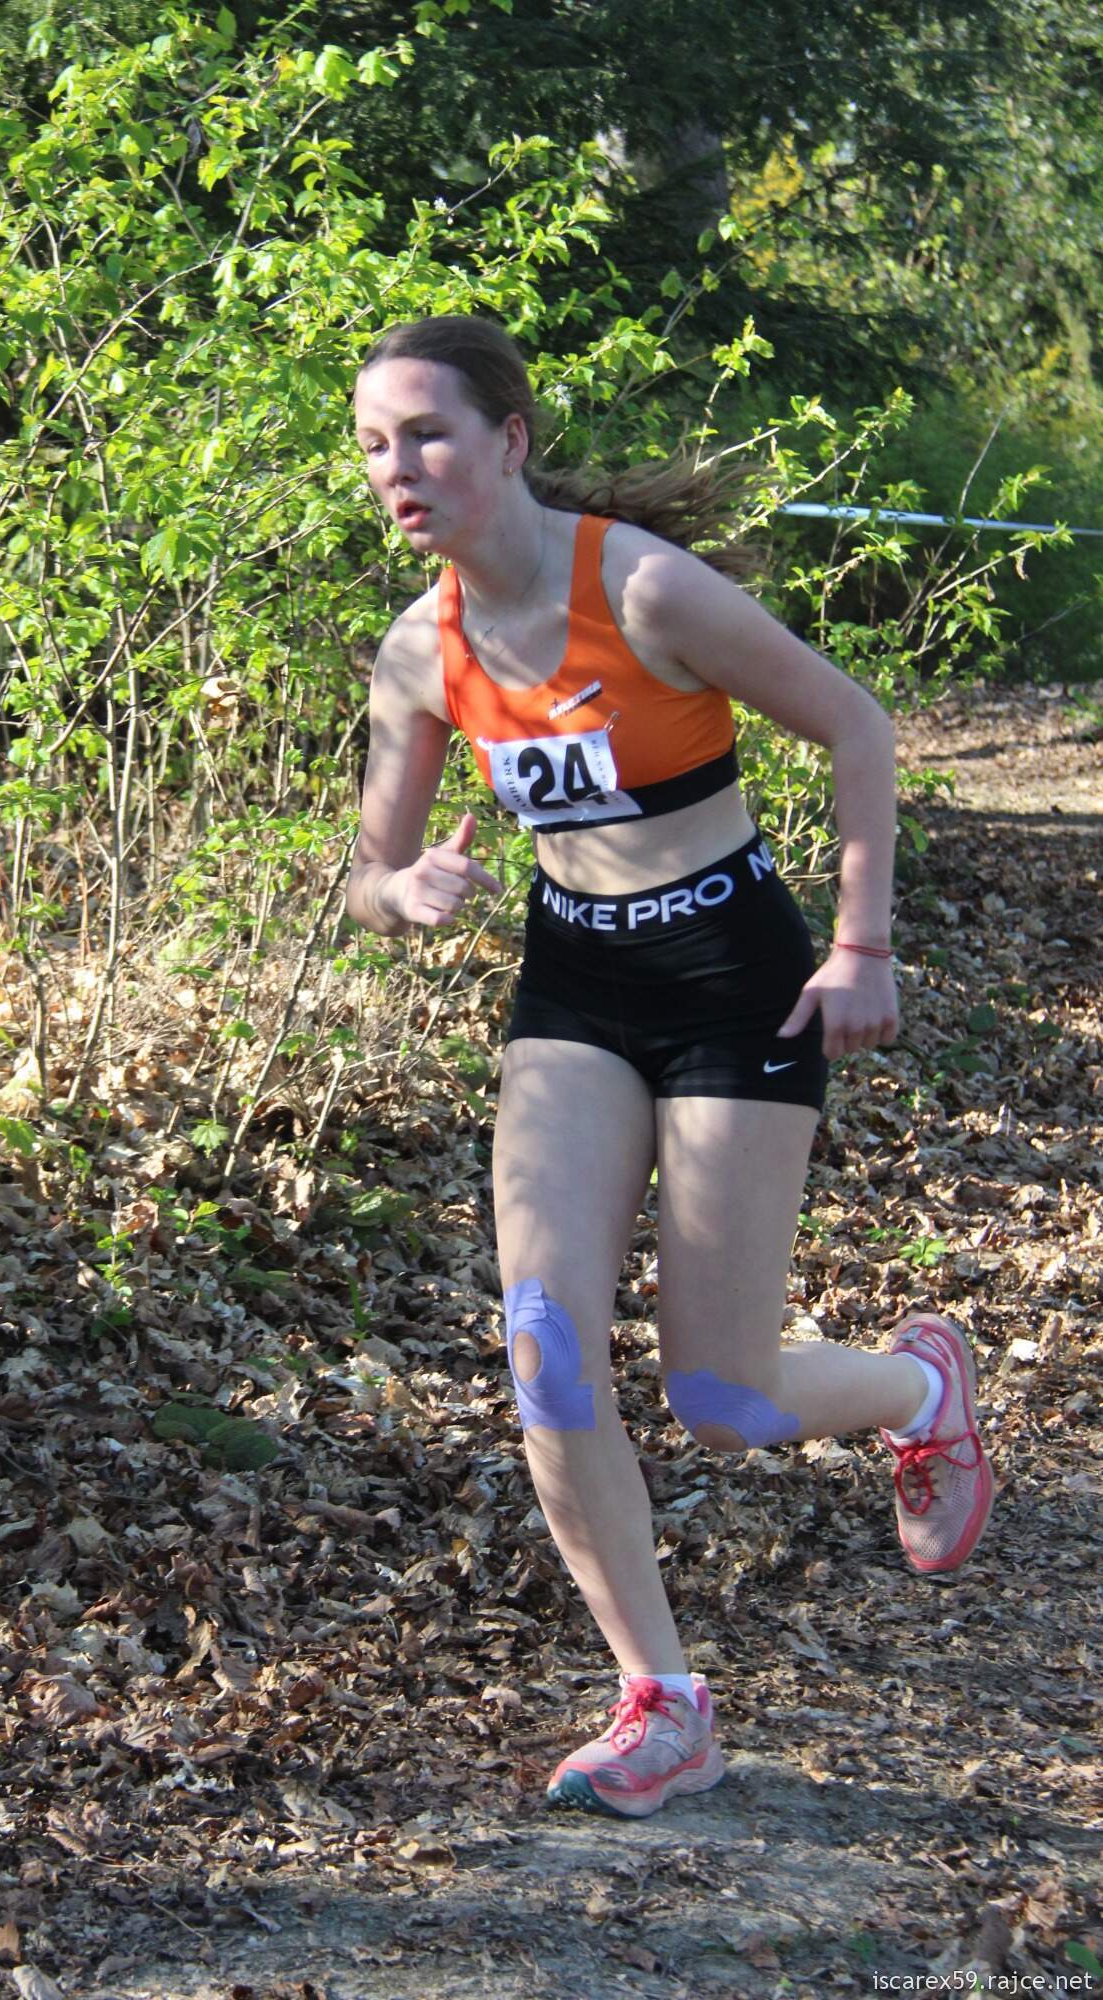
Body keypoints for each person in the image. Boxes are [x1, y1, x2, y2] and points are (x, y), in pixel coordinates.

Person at [343, 314, 994, 1820]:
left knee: (721, 1397)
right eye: (374, 444)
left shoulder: (639, 589)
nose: (397, 468)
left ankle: (919, 1386)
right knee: (544, 1348)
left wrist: (863, 945)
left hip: (730, 982)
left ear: (509, 438)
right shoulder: (421, 651)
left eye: (427, 433)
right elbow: (366, 877)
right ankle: (662, 1699)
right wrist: (401, 892)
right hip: (574, 987)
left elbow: (855, 726)